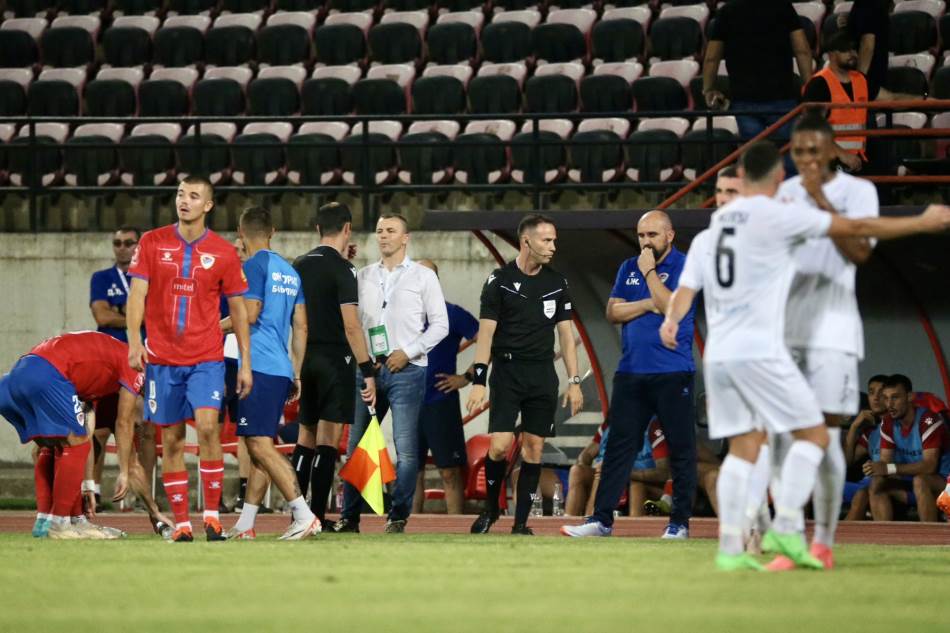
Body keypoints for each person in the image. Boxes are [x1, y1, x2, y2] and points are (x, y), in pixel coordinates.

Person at [659, 140, 950, 571]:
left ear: (740, 180)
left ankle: (731, 547)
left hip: (719, 354)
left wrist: (670, 322)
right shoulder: (776, 217)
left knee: (742, 448)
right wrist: (920, 221)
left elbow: (684, 293)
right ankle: (787, 524)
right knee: (816, 435)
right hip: (762, 352)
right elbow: (851, 229)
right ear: (777, 178)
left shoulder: (710, 232)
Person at [760, 112, 880, 569]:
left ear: (832, 150)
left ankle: (823, 540)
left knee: (825, 438)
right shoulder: (784, 194)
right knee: (781, 437)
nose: (807, 159)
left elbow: (862, 252)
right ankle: (788, 535)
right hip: (786, 332)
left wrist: (819, 201)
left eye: (815, 150)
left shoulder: (858, 191)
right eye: (799, 151)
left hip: (834, 333)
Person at [126, 175, 252, 542]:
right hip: (163, 361)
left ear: (208, 205)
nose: (184, 201)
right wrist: (135, 342)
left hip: (206, 359)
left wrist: (244, 362)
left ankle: (211, 517)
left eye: (194, 196)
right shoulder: (152, 242)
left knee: (209, 427)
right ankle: (182, 524)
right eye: (181, 194)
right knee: (174, 440)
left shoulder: (224, 253)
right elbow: (137, 295)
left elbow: (240, 311)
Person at [562, 210, 697, 540]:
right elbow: (612, 311)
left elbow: (670, 306)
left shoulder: (686, 267)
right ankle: (602, 520)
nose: (646, 242)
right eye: (641, 236)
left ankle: (678, 524)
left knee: (681, 449)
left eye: (653, 235)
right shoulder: (627, 267)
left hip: (673, 371)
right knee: (618, 449)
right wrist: (648, 304)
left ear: (670, 235)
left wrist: (650, 275)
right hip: (631, 372)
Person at [467, 213, 583, 536]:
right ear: (526, 241)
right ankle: (491, 510)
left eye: (554, 240)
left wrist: (574, 382)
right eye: (547, 240)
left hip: (542, 375)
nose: (553, 247)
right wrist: (478, 380)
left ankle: (520, 524)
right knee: (501, 446)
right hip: (507, 372)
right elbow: (485, 336)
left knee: (534, 448)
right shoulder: (498, 281)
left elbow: (566, 336)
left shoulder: (557, 283)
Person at [337, 212, 448, 534]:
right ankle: (349, 518)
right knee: (356, 446)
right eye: (379, 230)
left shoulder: (423, 276)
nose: (383, 235)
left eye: (391, 230)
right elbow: (353, 322)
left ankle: (397, 515)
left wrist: (409, 351)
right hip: (368, 369)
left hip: (408, 370)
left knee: (406, 448)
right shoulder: (363, 276)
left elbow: (440, 324)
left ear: (405, 237)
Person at [217, 208, 320, 540]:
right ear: (272, 231)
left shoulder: (252, 267)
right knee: (257, 441)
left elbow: (249, 312)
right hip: (280, 368)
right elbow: (301, 326)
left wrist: (210, 329)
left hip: (258, 365)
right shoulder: (290, 272)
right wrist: (297, 373)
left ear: (240, 232)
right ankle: (246, 524)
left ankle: (303, 514)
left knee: (259, 444)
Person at [0, 331, 143, 539]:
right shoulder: (136, 365)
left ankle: (49, 520)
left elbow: (87, 433)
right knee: (76, 445)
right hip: (46, 375)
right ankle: (59, 523)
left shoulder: (97, 373)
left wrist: (88, 486)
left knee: (53, 446)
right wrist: (123, 471)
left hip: (15, 379)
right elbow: (124, 421)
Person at [292, 202, 376, 527]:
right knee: (328, 440)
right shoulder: (344, 269)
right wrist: (367, 369)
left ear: (317, 229)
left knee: (304, 437)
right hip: (335, 359)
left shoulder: (298, 264)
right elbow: (352, 325)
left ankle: (297, 516)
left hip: (305, 356)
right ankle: (315, 516)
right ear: (347, 229)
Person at [88, 226, 156, 510]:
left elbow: (155, 316)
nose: (122, 248)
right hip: (107, 362)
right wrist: (135, 317)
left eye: (128, 243)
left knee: (146, 429)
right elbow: (100, 314)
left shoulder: (151, 276)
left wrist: (124, 314)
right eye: (117, 242)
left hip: (146, 360)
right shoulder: (102, 278)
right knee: (100, 430)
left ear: (139, 246)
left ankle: (144, 494)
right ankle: (92, 493)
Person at [412, 258, 478, 515]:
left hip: (440, 402)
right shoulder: (399, 314)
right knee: (410, 470)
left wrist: (467, 377)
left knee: (449, 471)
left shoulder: (452, 313)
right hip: (409, 403)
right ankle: (406, 529)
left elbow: (487, 342)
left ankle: (457, 532)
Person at [702, 0, 813, 142]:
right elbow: (802, 50)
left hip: (744, 99)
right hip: (782, 95)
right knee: (786, 154)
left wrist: (708, 89)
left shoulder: (727, 11)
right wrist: (809, 88)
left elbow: (712, 58)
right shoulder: (782, 5)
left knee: (754, 156)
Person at [865, 374, 950, 523]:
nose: (889, 404)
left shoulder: (928, 420)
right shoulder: (888, 423)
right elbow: (885, 464)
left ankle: (929, 540)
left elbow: (929, 466)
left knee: (920, 481)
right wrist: (875, 468)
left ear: (910, 397)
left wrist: (888, 469)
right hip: (914, 484)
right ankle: (884, 542)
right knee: (877, 482)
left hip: (944, 484)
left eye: (895, 397)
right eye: (885, 398)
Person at [843, 375, 889, 521]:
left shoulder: (899, 426)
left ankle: (840, 539)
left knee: (862, 494)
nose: (875, 398)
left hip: (885, 484)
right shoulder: (871, 432)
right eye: (871, 392)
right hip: (864, 483)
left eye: (881, 392)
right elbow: (847, 462)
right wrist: (854, 427)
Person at [846, 0, 890, 98]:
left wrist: (859, 80)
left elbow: (867, 45)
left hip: (870, 75)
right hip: (868, 75)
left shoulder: (868, 4)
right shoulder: (861, 5)